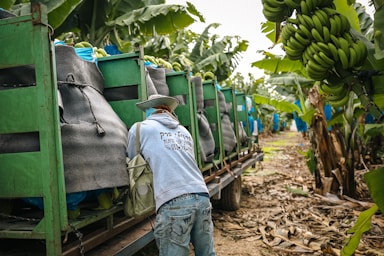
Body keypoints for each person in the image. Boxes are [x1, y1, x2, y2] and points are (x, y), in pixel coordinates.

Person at [126, 94, 216, 256]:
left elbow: (134, 163)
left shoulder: (140, 128)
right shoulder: (184, 131)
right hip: (202, 195)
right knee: (207, 253)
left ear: (150, 110)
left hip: (173, 201)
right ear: (168, 110)